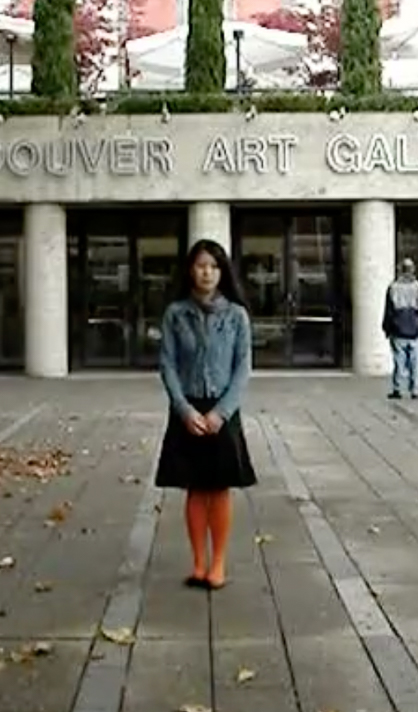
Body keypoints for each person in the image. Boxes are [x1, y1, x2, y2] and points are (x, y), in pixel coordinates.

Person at [155, 238, 256, 590]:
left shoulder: (237, 315)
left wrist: (221, 413)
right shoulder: (175, 314)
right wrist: (184, 410)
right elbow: (167, 364)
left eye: (213, 266)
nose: (207, 273)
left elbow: (243, 368)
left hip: (222, 410)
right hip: (188, 409)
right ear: (190, 270)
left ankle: (219, 564)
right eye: (201, 266)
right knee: (196, 489)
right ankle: (198, 563)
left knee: (220, 488)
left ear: (222, 271)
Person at [382, 257, 418, 399]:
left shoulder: (393, 287)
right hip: (415, 329)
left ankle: (398, 388)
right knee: (415, 362)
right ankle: (415, 389)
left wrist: (386, 328)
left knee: (399, 361)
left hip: (398, 328)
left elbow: (389, 311)